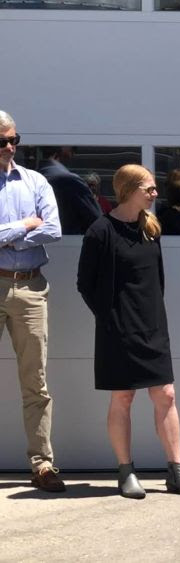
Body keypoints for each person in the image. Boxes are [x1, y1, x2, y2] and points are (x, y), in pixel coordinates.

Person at [77, 164, 180, 499]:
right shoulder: (100, 231)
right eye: (149, 188)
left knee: (166, 395)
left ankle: (177, 471)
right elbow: (85, 284)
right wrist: (110, 318)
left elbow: (156, 280)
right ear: (129, 190)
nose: (155, 193)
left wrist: (154, 318)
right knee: (123, 397)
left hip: (152, 325)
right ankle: (126, 471)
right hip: (116, 329)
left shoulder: (151, 228)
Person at [0, 111, 66, 492]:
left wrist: (7, 235)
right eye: (2, 141)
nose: (10, 147)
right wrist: (25, 226)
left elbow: (53, 230)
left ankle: (42, 465)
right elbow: (38, 227)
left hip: (29, 288)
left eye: (14, 139)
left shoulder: (35, 181)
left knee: (35, 381)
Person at [37, 146, 102, 234]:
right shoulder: (69, 180)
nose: (74, 152)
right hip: (71, 244)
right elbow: (99, 223)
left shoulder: (29, 178)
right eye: (73, 148)